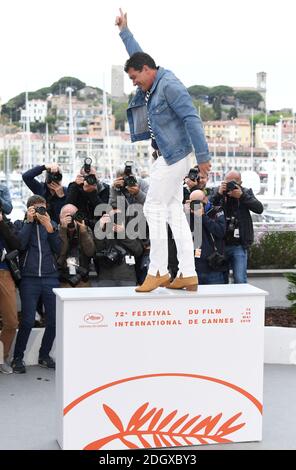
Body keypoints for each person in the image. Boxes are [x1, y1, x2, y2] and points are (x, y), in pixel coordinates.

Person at [115, 9, 211, 292]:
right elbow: (138, 54)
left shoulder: (169, 85)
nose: (134, 82)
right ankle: (188, 273)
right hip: (166, 157)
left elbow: (192, 118)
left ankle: (157, 270)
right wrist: (124, 32)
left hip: (175, 156)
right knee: (171, 212)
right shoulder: (151, 77)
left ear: (147, 71)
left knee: (152, 207)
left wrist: (204, 160)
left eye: (135, 77)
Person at [11, 195, 61, 373]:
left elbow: (58, 248)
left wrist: (49, 228)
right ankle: (18, 358)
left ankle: (44, 355)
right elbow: (20, 245)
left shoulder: (52, 224)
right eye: (37, 208)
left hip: (50, 277)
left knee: (54, 320)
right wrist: (29, 222)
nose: (41, 211)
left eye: (43, 208)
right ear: (29, 209)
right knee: (27, 320)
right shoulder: (20, 224)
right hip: (29, 278)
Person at [210, 170, 264, 283]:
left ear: (240, 182)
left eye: (233, 182)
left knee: (240, 279)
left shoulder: (245, 192)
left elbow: (259, 209)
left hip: (239, 244)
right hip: (220, 244)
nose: (230, 185)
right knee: (220, 280)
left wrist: (242, 196)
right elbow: (207, 209)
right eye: (227, 181)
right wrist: (219, 194)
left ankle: (242, 301)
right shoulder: (217, 191)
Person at [188, 190, 227, 285]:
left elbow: (220, 232)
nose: (196, 205)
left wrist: (203, 216)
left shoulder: (216, 211)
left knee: (216, 298)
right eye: (193, 202)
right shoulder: (188, 215)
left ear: (205, 199)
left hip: (213, 267)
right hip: (195, 267)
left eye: (198, 201)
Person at [0, 209, 20, 374]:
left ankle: (2, 357)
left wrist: (1, 223)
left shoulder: (7, 224)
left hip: (4, 273)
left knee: (11, 321)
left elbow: (17, 245)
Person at [58, 204, 95, 288]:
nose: (70, 219)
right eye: (67, 216)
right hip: (63, 278)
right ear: (60, 217)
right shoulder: (56, 230)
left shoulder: (84, 229)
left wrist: (83, 232)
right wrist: (63, 230)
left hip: (81, 278)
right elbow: (60, 253)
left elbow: (90, 252)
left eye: (73, 215)